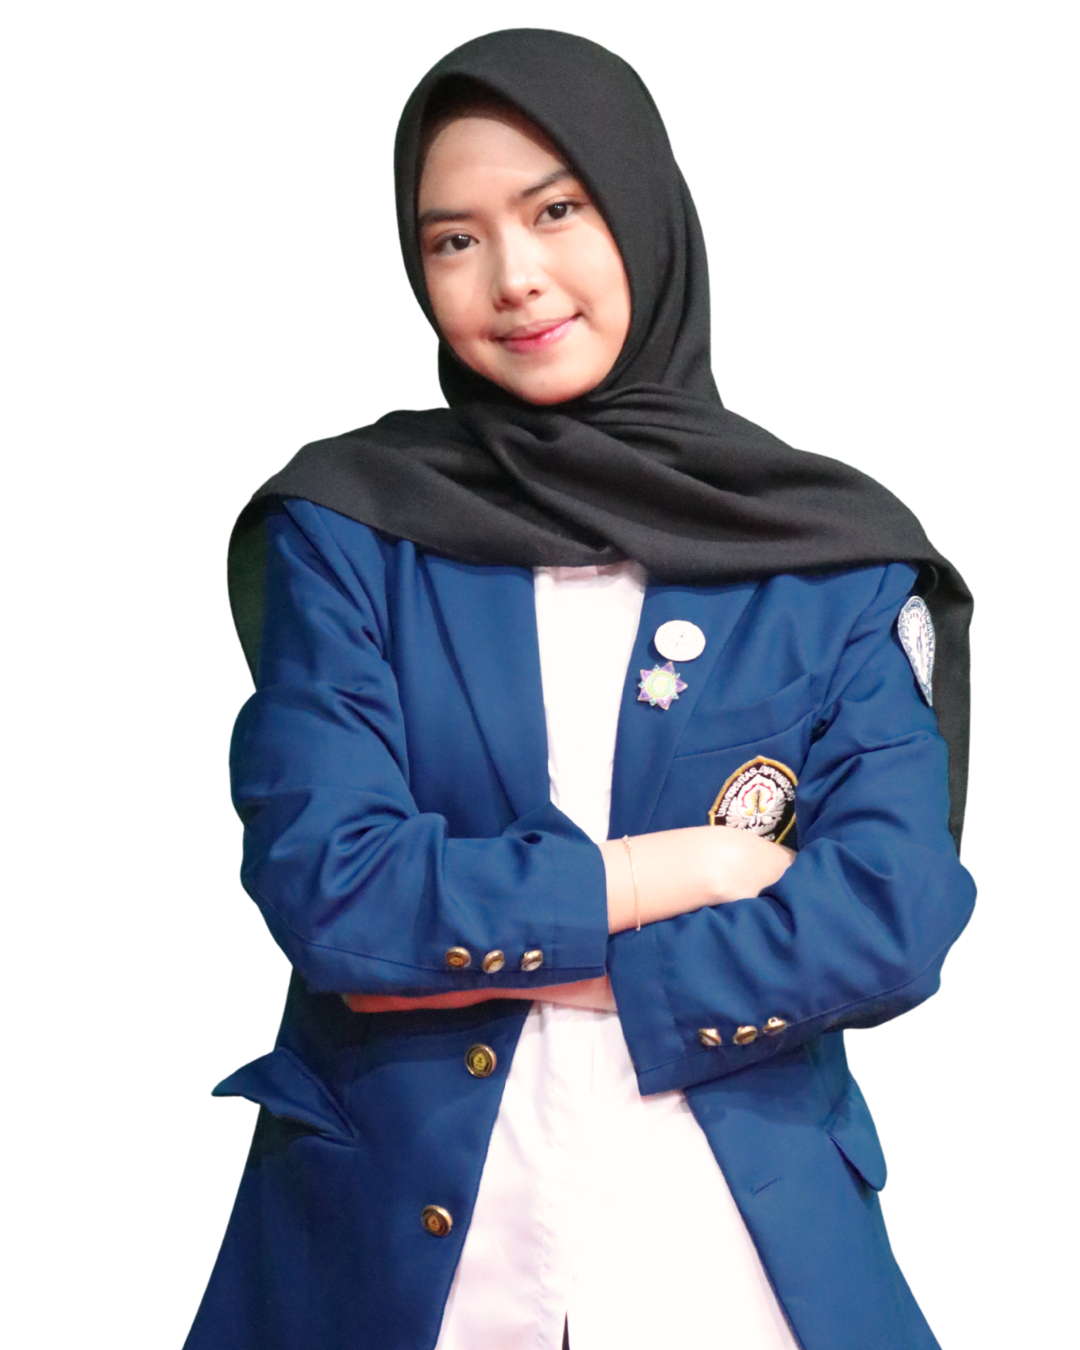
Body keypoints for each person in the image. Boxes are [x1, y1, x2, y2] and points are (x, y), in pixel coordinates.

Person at [188, 27, 975, 1350]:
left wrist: (465, 959)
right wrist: (686, 868)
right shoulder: (352, 527)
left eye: (557, 210)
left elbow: (894, 915)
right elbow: (332, 891)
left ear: (645, 210)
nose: (514, 277)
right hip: (393, 1257)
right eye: (455, 239)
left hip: (731, 1261)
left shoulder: (827, 553)